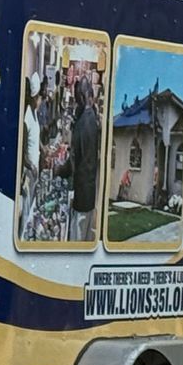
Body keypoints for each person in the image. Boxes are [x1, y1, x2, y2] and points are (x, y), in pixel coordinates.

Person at [69, 75, 100, 242]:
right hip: (90, 192)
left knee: (77, 240)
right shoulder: (93, 119)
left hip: (81, 194)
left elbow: (74, 161)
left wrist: (61, 170)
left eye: (76, 98)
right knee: (87, 238)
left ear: (81, 96)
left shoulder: (82, 124)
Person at [20, 72, 42, 236]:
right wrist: (31, 166)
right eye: (39, 97)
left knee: (33, 204)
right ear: (34, 98)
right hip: (29, 173)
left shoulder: (34, 114)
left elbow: (36, 137)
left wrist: (43, 148)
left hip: (35, 169)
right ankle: (23, 235)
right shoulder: (26, 118)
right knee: (26, 210)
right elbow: (23, 153)